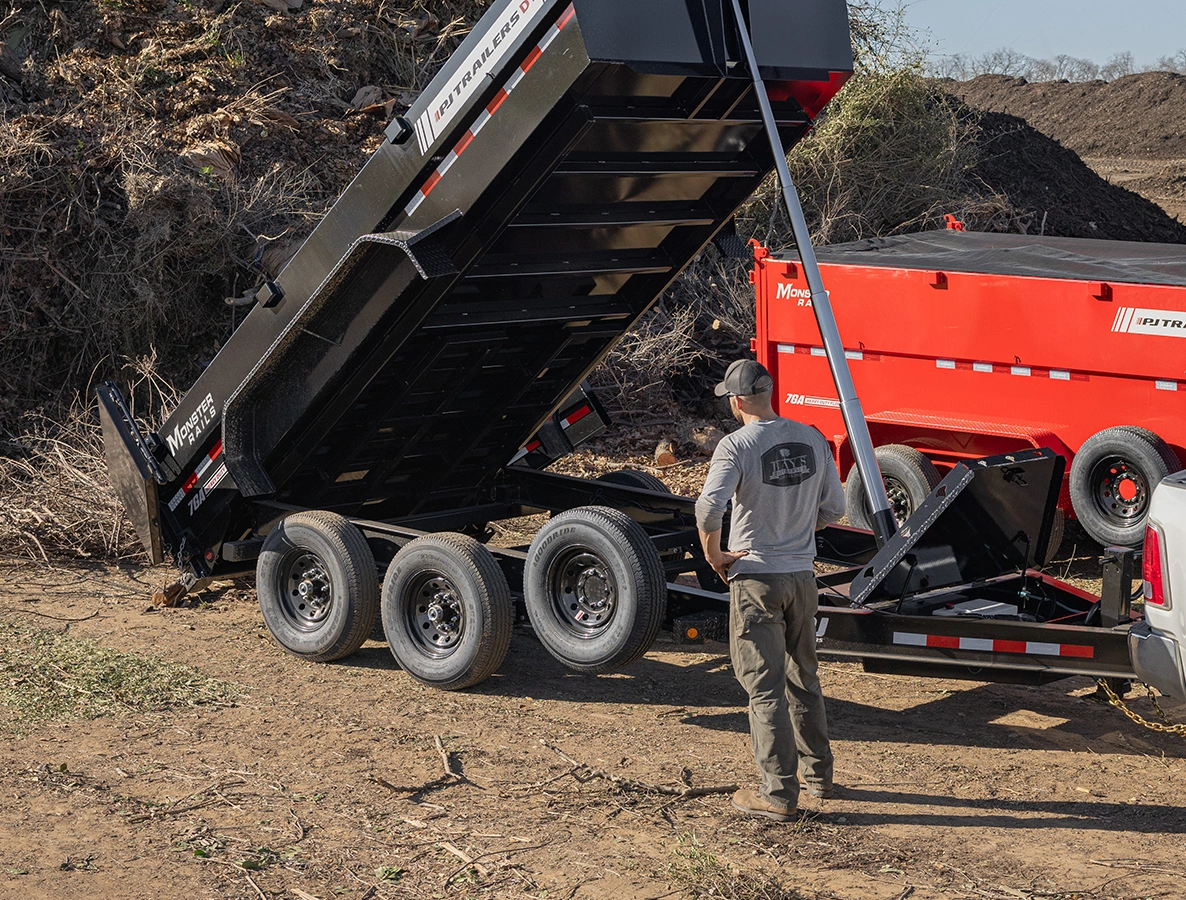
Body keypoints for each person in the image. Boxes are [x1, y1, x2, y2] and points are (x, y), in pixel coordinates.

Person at [695, 358, 846, 822]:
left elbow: (707, 510)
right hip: (803, 578)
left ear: (736, 401)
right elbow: (836, 509)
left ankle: (778, 794)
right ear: (769, 392)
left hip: (757, 578)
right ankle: (819, 778)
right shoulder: (812, 438)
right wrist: (801, 531)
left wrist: (714, 554)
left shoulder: (736, 445)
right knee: (804, 676)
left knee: (764, 688)